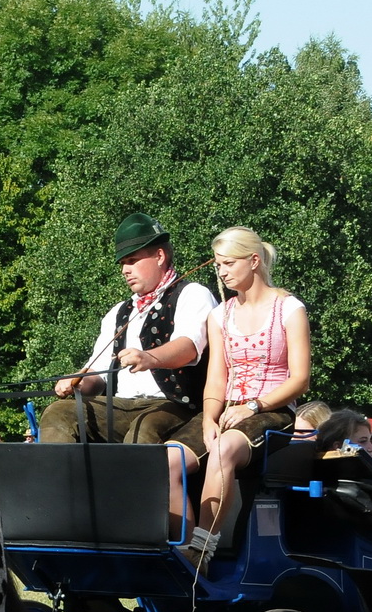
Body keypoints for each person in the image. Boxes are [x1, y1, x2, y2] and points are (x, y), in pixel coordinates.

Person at [173, 226, 310, 560]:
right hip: (227, 407)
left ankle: (202, 548)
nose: (221, 272)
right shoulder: (220, 314)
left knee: (222, 451)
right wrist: (208, 418)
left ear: (253, 261)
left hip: (271, 409)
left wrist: (254, 405)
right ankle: (179, 548)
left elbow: (300, 379)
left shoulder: (290, 309)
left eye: (228, 263)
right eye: (218, 264)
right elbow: (216, 378)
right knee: (165, 460)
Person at [41, 212, 219, 447]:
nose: (125, 269)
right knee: (58, 413)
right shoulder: (118, 312)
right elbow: (99, 372)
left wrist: (149, 358)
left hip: (179, 406)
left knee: (142, 431)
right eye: (123, 263)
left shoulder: (192, 294)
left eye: (132, 260)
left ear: (159, 256)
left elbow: (189, 347)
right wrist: (80, 382)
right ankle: (60, 483)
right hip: (122, 406)